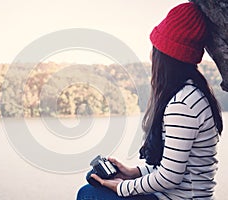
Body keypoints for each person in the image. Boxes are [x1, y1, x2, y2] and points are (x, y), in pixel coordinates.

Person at [76, 2, 223, 200]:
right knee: (93, 182)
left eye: (154, 49)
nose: (151, 55)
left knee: (88, 194)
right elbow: (172, 169)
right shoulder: (191, 93)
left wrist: (122, 187)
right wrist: (132, 172)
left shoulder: (182, 105)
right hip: (170, 194)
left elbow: (170, 177)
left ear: (164, 57)